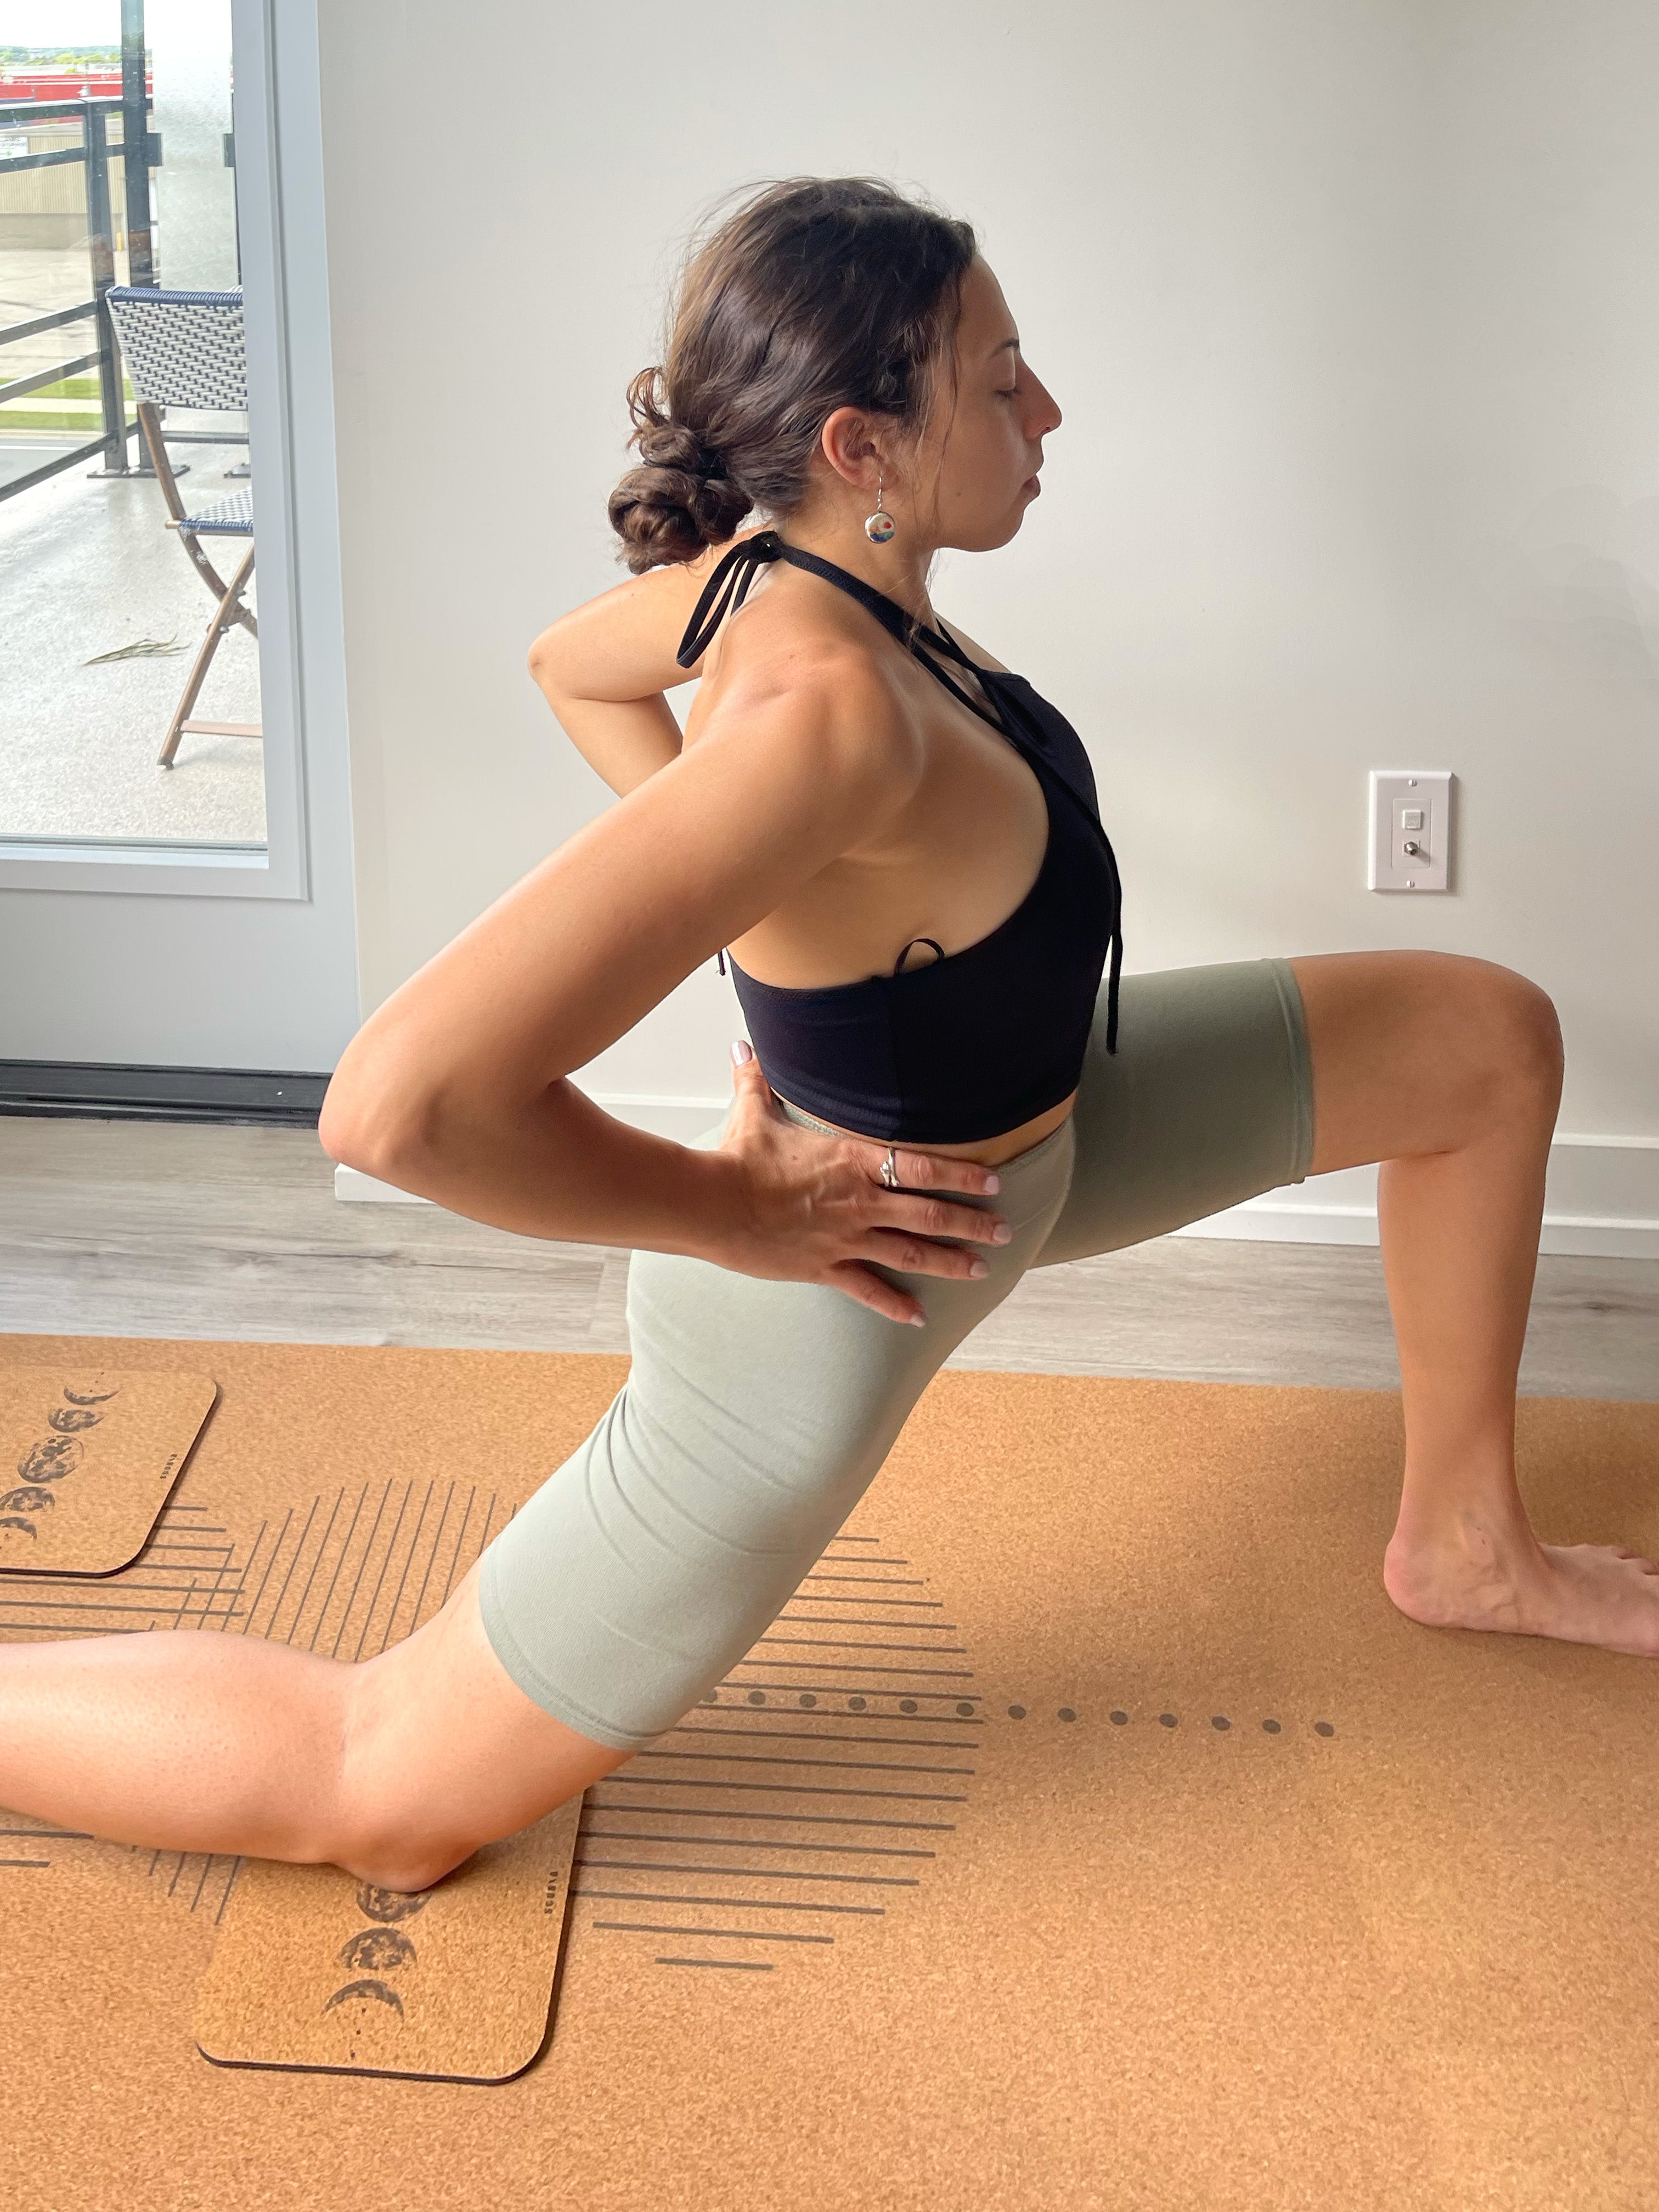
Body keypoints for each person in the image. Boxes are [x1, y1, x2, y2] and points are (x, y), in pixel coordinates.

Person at [3, 176, 1655, 1896]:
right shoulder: (824, 713)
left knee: (1478, 1041)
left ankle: (1467, 1544)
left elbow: (571, 666)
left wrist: (773, 919)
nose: (1048, 411)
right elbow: (397, 1108)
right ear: (865, 444)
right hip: (841, 1295)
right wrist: (746, 1213)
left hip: (1047, 1130)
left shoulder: (774, 580)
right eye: (1004, 380)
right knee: (384, 1797)